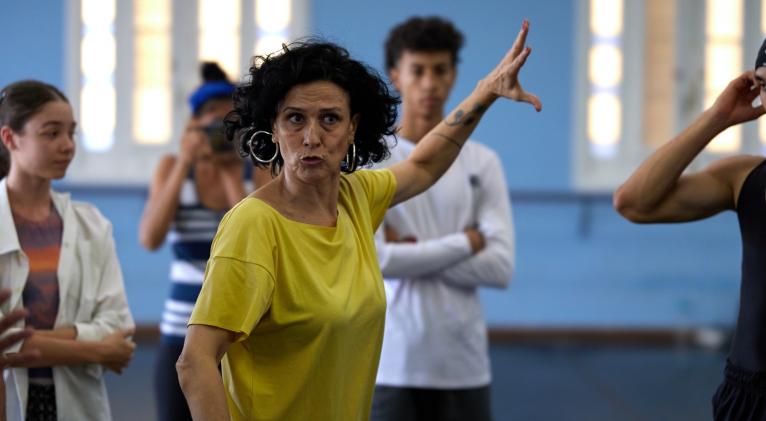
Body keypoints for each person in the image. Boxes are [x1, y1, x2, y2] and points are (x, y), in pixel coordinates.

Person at [177, 20, 540, 421]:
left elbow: (423, 164)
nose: (312, 137)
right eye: (295, 119)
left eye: (329, 119)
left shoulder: (356, 198)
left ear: (352, 129)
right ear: (274, 129)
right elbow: (195, 362)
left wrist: (484, 93)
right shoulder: (254, 225)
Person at [370, 17, 515, 421]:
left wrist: (411, 251)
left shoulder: (483, 162)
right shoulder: (372, 161)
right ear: (396, 75)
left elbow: (500, 268)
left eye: (440, 70)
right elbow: (377, 260)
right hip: (391, 363)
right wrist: (466, 242)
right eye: (418, 70)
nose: (430, 83)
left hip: (463, 365)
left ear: (454, 76)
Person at [614, 39, 766, 420]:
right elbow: (633, 202)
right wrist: (717, 117)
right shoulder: (745, 178)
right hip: (749, 398)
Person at [139, 62, 268, 421]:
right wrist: (183, 162)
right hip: (180, 326)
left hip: (238, 330)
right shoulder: (171, 167)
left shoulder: (254, 168)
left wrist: (230, 173)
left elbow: (255, 235)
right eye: (210, 120)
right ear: (193, 123)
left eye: (227, 122)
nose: (218, 130)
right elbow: (150, 238)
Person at [0, 80, 135, 420]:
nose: (67, 145)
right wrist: (99, 350)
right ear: (10, 138)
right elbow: (5, 348)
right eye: (51, 133)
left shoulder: (92, 225)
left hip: (78, 403)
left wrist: (28, 344)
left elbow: (118, 323)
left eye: (71, 133)